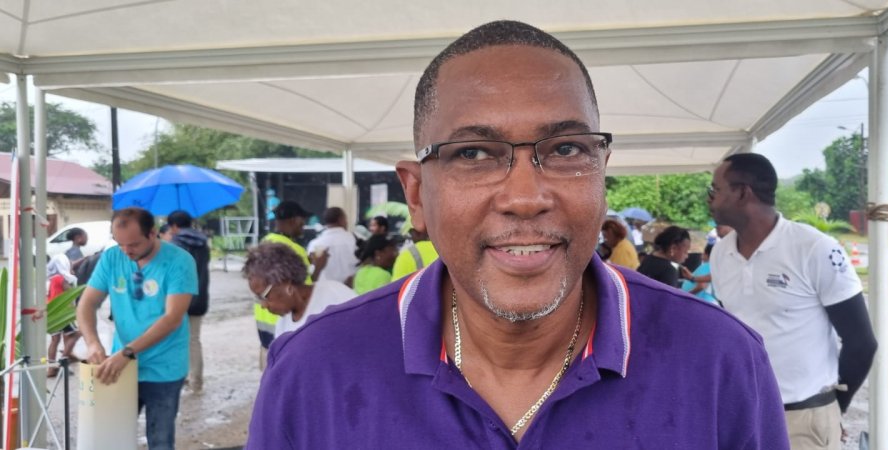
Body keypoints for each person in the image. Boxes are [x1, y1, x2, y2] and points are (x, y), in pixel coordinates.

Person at [246, 20, 787, 449]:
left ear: (601, 174)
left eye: (567, 149)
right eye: (473, 153)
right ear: (416, 196)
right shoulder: (313, 371)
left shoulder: (721, 360)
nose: (525, 197)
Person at [708, 153, 877, 449]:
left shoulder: (814, 248)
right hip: (743, 416)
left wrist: (833, 407)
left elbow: (861, 342)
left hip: (803, 419)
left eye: (716, 189)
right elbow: (732, 333)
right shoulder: (721, 254)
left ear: (742, 193)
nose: (710, 198)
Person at [76, 207, 197, 450]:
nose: (126, 251)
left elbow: (172, 318)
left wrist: (128, 351)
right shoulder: (111, 258)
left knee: (160, 440)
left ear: (152, 233)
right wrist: (92, 343)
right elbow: (86, 304)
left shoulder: (180, 261)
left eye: (133, 244)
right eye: (119, 243)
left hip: (164, 367)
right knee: (112, 437)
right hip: (121, 365)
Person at [255, 200, 324, 368]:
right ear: (293, 220)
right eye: (302, 221)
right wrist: (319, 266)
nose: (303, 226)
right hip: (286, 323)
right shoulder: (294, 250)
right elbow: (305, 294)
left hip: (263, 323)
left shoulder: (264, 244)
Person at [243, 243, 357, 337]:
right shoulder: (283, 326)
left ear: (287, 285)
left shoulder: (336, 296)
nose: (263, 305)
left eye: (264, 296)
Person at [166, 210, 211, 393]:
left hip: (178, 298)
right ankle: (196, 382)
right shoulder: (203, 243)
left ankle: (180, 378)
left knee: (175, 340)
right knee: (194, 340)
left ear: (174, 226)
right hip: (199, 297)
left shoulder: (174, 245)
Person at [46, 254, 80, 377]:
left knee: (55, 340)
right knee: (77, 334)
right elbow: (71, 293)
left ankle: (52, 368)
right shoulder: (62, 279)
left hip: (51, 312)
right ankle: (63, 360)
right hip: (63, 313)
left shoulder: (51, 279)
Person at [306, 207, 358, 284]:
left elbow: (311, 271)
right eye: (345, 219)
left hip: (323, 289)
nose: (347, 222)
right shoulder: (354, 240)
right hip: (350, 289)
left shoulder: (314, 244)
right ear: (341, 220)